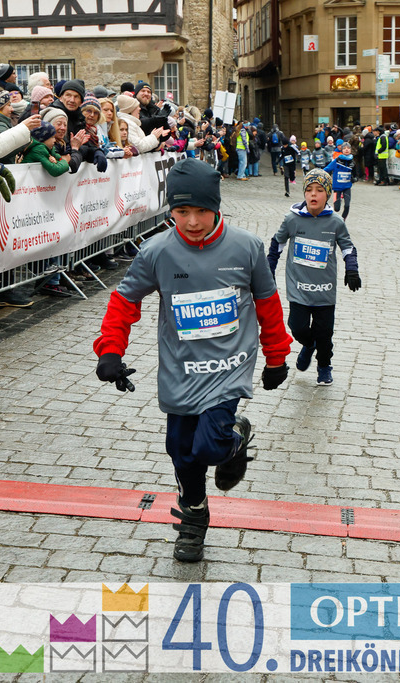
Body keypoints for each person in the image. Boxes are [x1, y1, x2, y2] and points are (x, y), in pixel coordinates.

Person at [93, 158, 292, 563]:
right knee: (180, 450)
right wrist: (111, 350)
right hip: (181, 369)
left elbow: (268, 304)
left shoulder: (246, 247)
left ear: (216, 207)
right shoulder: (157, 251)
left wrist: (277, 356)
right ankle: (194, 516)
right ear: (171, 211)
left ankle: (232, 440)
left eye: (202, 210)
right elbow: (125, 300)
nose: (193, 221)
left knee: (210, 444)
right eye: (182, 212)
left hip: (229, 367)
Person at [267, 169, 360, 386]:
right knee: (298, 327)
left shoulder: (335, 222)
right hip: (298, 287)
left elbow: (347, 247)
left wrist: (352, 270)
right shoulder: (292, 219)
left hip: (325, 289)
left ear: (327, 194)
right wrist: (268, 270)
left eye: (319, 190)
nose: (313, 195)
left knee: (325, 334)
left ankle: (324, 366)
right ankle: (309, 345)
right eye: (309, 190)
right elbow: (277, 244)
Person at [323, 142, 354, 220]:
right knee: (337, 208)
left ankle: (342, 221)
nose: (346, 150)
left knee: (347, 205)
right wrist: (320, 173)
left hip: (347, 187)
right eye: (344, 148)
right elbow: (327, 168)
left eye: (348, 148)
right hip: (337, 187)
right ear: (342, 150)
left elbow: (356, 173)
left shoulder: (352, 162)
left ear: (350, 150)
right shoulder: (337, 160)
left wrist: (354, 178)